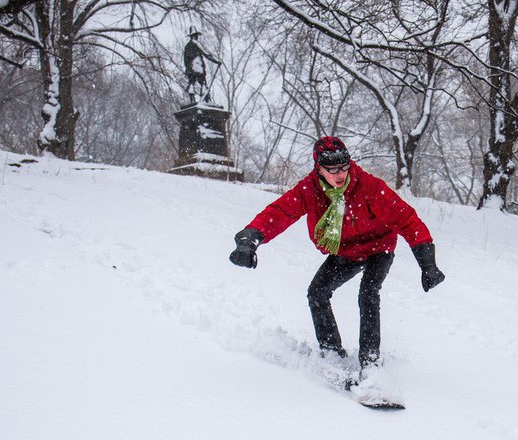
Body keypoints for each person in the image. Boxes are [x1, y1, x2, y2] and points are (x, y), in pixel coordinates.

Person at [229, 136, 445, 373]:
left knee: (368, 293)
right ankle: (332, 353)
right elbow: (280, 212)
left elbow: (407, 219)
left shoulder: (369, 187)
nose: (340, 174)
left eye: (344, 167)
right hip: (346, 252)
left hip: (378, 248)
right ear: (318, 168)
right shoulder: (309, 190)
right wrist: (250, 239)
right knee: (317, 293)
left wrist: (427, 264)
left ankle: (371, 363)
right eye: (332, 170)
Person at [183, 26, 221, 103]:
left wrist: (187, 68)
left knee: (192, 83)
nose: (197, 37)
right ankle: (206, 99)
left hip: (190, 67)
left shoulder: (187, 46)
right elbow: (206, 54)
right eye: (196, 35)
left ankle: (192, 99)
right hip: (198, 66)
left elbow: (185, 60)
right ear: (194, 36)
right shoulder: (197, 44)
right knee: (203, 82)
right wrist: (216, 61)